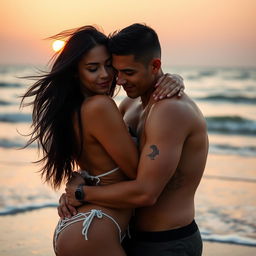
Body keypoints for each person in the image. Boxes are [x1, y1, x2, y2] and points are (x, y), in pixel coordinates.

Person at [21, 25, 184, 256]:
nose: (106, 75)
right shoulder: (100, 106)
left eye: (109, 65)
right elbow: (138, 173)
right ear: (77, 72)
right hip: (94, 229)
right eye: (92, 68)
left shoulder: (77, 109)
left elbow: (96, 166)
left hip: (85, 228)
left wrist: (79, 184)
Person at [64, 23, 208, 256]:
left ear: (155, 66)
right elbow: (111, 168)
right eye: (116, 70)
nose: (118, 80)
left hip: (166, 243)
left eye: (128, 72)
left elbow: (145, 193)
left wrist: (81, 194)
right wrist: (77, 185)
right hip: (127, 236)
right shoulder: (129, 105)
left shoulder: (171, 110)